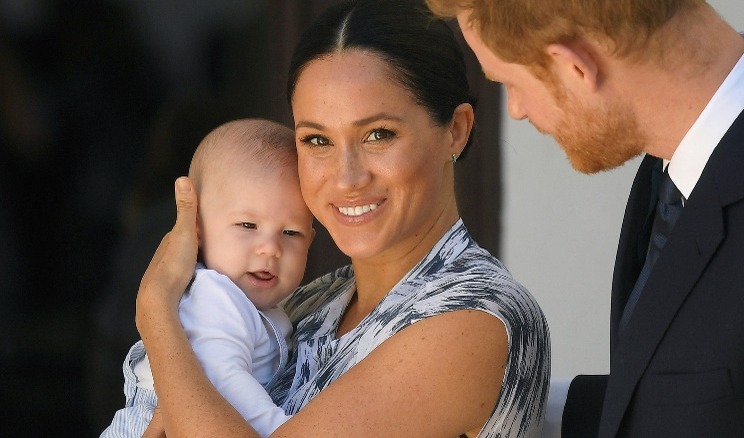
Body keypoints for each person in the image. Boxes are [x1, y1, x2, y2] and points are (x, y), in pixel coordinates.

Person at [134, 0, 551, 437]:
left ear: (456, 130)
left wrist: (156, 310)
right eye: (317, 140)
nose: (347, 178)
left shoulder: (475, 317)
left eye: (378, 134)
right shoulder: (309, 304)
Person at [425, 0, 744, 436]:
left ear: (574, 68)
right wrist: (491, 401)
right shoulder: (682, 158)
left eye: (510, 84)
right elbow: (712, 397)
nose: (515, 109)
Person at [102, 118, 315, 437]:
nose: (270, 249)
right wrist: (284, 430)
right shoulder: (215, 297)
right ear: (197, 230)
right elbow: (225, 381)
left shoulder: (260, 304)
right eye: (247, 226)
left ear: (311, 240)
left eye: (291, 232)